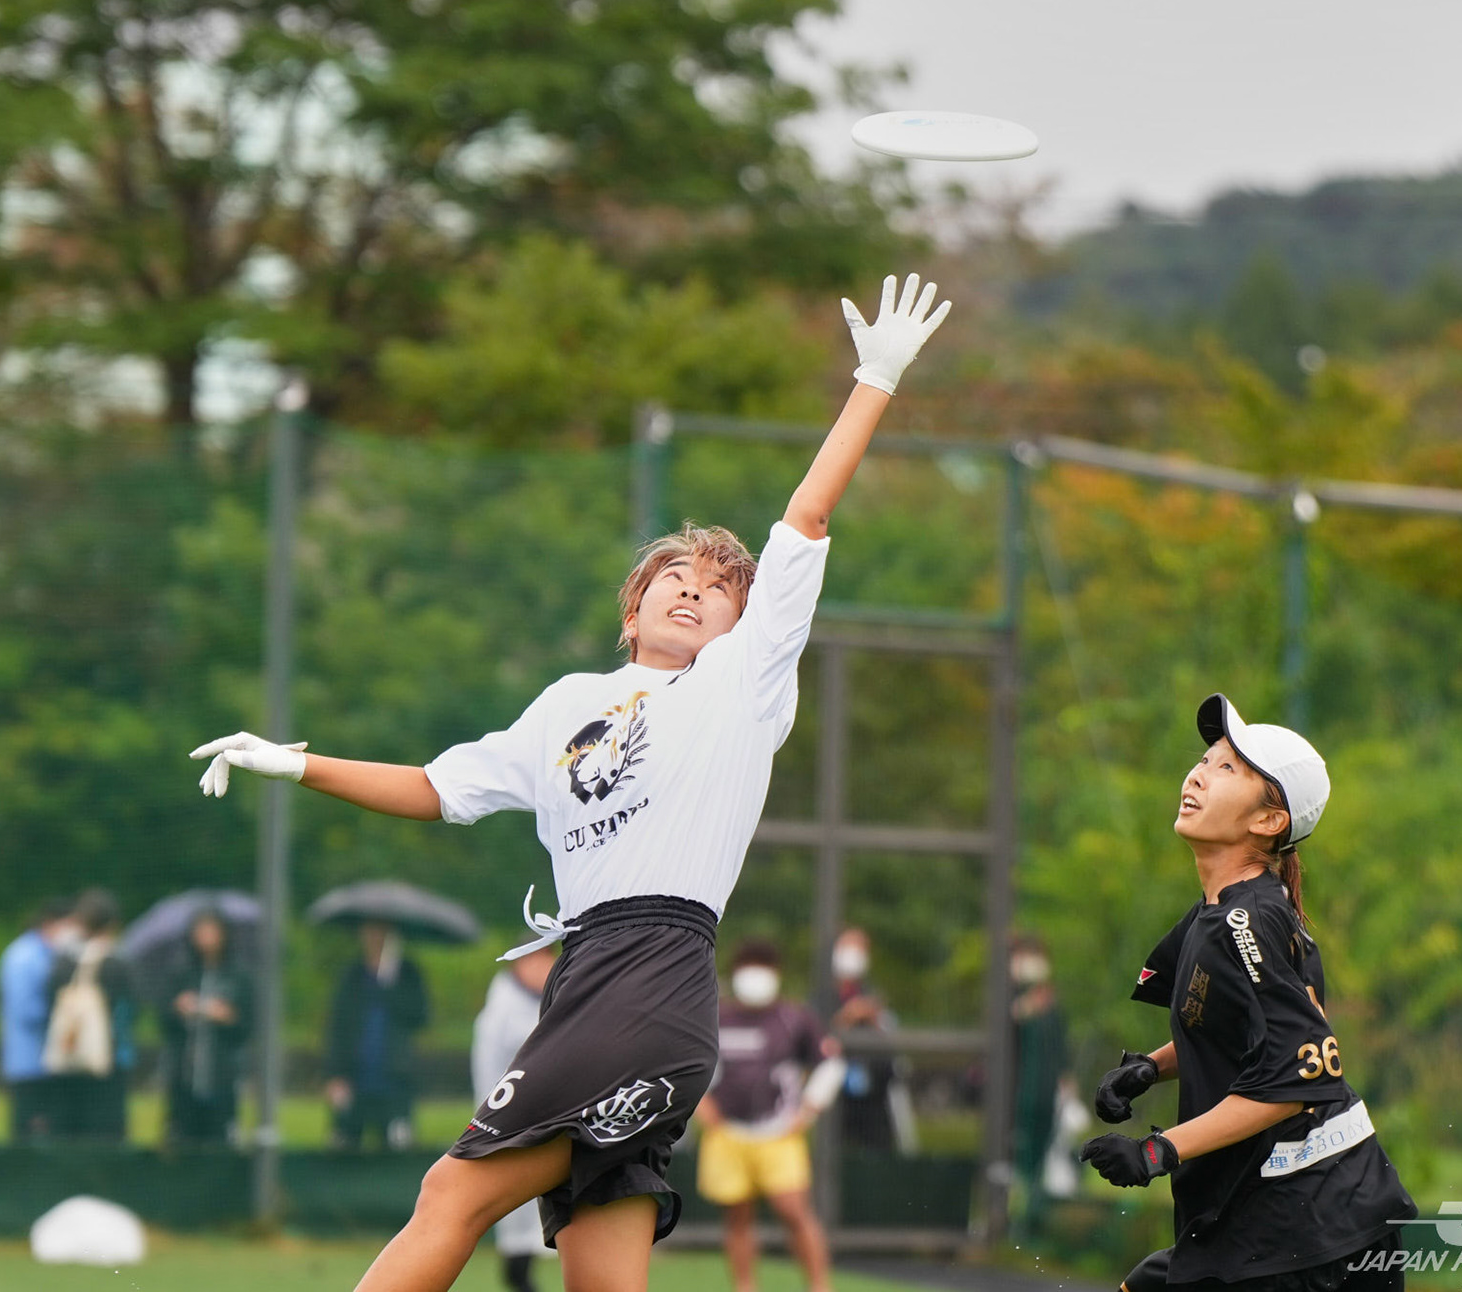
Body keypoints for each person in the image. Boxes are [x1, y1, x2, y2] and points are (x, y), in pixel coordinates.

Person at [187, 271, 953, 1292]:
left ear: (744, 625)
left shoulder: (742, 685)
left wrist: (874, 381)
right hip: (586, 981)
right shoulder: (567, 703)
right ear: (632, 611)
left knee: (451, 1194)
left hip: (651, 982)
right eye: (673, 577)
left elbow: (806, 516)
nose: (694, 589)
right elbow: (436, 788)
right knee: (600, 1274)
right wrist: (295, 761)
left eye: (719, 588)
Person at [1080, 694, 1416, 1292]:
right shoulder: (1222, 911)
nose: (1198, 774)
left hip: (1309, 1235)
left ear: (1268, 821)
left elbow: (1299, 1080)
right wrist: (1149, 1069)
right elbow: (1234, 1029)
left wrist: (1158, 1152)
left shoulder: (1246, 922)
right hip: (1268, 1226)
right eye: (1204, 760)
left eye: (1227, 768)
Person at [695, 939, 846, 1292]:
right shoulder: (716, 1016)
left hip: (779, 1134)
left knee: (793, 1211)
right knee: (737, 1216)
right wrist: (701, 1105)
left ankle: (819, 1286)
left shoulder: (795, 1018)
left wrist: (807, 1111)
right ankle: (745, 1286)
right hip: (727, 1134)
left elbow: (831, 1064)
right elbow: (693, 1065)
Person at [474, 945, 561, 1292]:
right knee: (518, 1216)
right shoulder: (503, 1011)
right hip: (509, 1125)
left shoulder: (540, 1001)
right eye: (539, 960)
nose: (546, 969)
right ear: (522, 963)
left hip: (544, 1124)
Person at [325, 921, 430, 1151]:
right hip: (355, 1079)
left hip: (395, 1081)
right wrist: (335, 1074)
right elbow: (337, 1027)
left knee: (397, 1147)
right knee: (344, 1146)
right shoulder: (352, 975)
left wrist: (389, 986)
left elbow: (419, 1016)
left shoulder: (407, 974)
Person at [44, 888, 135, 1142]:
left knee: (66, 1136)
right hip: (106, 1062)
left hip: (66, 1057)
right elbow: (129, 1011)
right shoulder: (117, 963)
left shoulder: (62, 961)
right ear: (112, 924)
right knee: (104, 1138)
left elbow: (49, 1002)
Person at [159, 906, 253, 1147]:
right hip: (184, 1075)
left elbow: (247, 1027)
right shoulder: (181, 973)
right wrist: (178, 1009)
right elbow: (164, 1022)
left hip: (222, 1076)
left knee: (219, 1141)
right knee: (182, 1140)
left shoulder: (238, 976)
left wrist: (227, 1016)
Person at [0, 897, 80, 1143]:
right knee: (28, 1135)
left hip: (45, 1062)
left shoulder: (47, 954)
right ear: (50, 923)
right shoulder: (24, 956)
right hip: (29, 1063)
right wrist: (64, 1015)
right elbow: (24, 1010)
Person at [1007, 934, 1073, 1234]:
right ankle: (1013, 1218)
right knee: (1018, 1154)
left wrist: (1066, 1079)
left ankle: (1034, 1216)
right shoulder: (1010, 995)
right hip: (1016, 1092)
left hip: (1046, 1092)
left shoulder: (1049, 998)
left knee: (1043, 1153)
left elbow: (1059, 1043)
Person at [828, 926, 909, 1153]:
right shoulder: (823, 995)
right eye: (848, 947)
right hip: (836, 1096)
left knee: (877, 1153)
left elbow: (890, 1041)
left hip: (875, 1094)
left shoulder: (871, 994)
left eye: (860, 948)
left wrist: (873, 1019)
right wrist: (846, 1017)